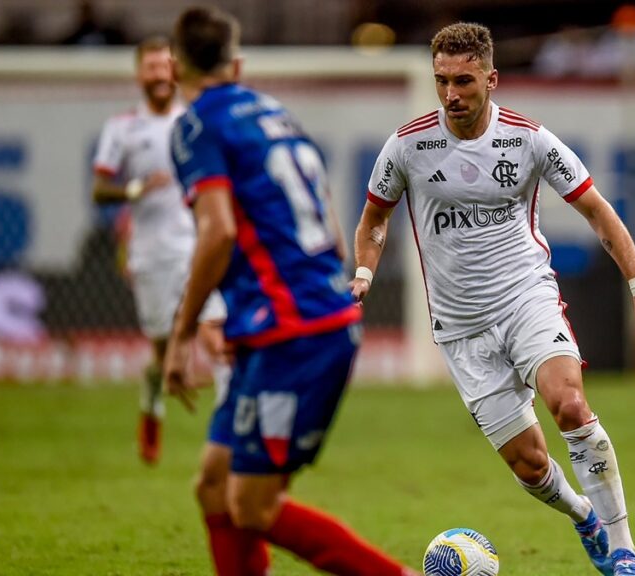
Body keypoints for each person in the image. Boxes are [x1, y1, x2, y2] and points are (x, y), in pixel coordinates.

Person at [353, 22, 635, 576]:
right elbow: (375, 220)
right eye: (442, 81)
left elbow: (598, 211)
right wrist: (363, 270)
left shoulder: (530, 140)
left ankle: (624, 552)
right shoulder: (407, 146)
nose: (452, 94)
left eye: (464, 81)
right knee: (529, 465)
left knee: (569, 404)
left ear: (491, 79)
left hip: (526, 299)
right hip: (460, 329)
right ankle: (583, 517)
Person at [162, 7, 418, 576]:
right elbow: (322, 222)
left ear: (176, 67)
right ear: (238, 62)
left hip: (296, 334)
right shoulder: (275, 115)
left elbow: (219, 230)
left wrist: (182, 336)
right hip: (284, 324)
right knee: (213, 483)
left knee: (250, 504)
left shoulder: (198, 126)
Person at [91, 36, 227, 465]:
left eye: (164, 67)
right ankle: (151, 408)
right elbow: (99, 189)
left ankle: (230, 438)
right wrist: (135, 188)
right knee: (163, 350)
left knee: (215, 335)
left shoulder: (193, 120)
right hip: (150, 252)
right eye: (150, 68)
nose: (159, 75)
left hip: (197, 244)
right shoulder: (122, 128)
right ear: (139, 75)